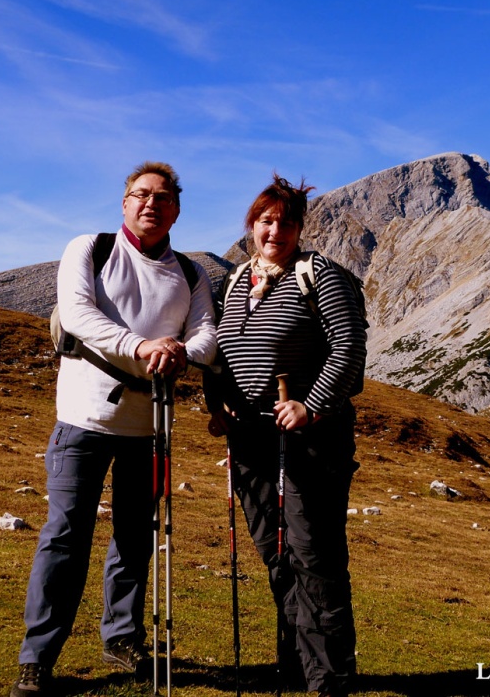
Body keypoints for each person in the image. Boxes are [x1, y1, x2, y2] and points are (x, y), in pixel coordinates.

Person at [10, 161, 217, 697]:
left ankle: (121, 638)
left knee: (134, 537)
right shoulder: (90, 248)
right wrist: (142, 346)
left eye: (163, 197)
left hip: (149, 429)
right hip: (82, 421)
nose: (151, 203)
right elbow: (77, 313)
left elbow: (206, 338)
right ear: (124, 203)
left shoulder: (192, 274)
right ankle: (37, 658)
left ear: (177, 208)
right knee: (64, 538)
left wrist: (178, 350)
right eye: (140, 194)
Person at [206, 174, 367, 697]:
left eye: (287, 222)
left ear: (300, 228)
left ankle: (330, 681)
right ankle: (297, 665)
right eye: (266, 221)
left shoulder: (320, 275)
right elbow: (221, 359)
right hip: (251, 440)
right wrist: (217, 401)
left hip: (311, 440)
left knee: (313, 556)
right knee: (278, 556)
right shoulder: (232, 283)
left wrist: (310, 405)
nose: (275, 230)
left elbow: (348, 354)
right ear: (252, 225)